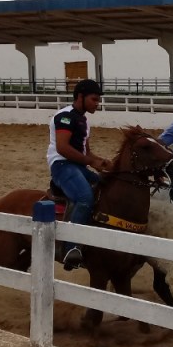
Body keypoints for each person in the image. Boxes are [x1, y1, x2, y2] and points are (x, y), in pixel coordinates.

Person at [46, 78, 111, 269]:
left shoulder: (83, 120)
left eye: (98, 100)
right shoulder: (65, 117)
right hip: (61, 165)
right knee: (84, 198)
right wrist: (91, 162)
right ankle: (70, 248)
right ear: (80, 97)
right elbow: (63, 148)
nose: (97, 104)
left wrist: (101, 163)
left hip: (77, 166)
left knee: (105, 186)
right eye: (94, 99)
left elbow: (86, 153)